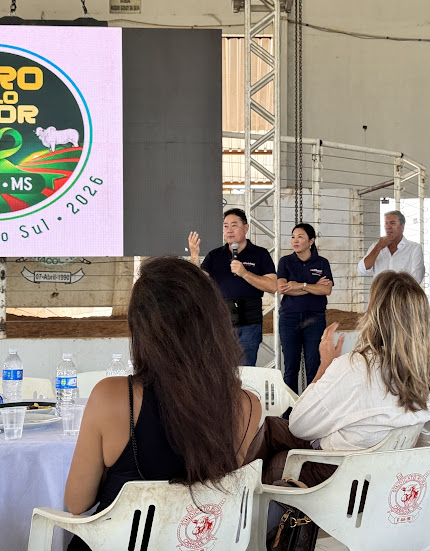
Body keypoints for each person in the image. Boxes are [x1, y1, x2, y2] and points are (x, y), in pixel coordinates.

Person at [63, 257, 262, 549]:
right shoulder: (247, 405)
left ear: (141, 328)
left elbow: (77, 503)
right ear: (216, 323)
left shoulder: (111, 396)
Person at [245, 270, 430, 486]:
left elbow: (298, 425)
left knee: (277, 457)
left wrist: (325, 365)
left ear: (375, 314)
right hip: (386, 474)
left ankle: (241, 493)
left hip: (340, 476)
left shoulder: (354, 367)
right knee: (272, 428)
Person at [188, 208, 277, 366]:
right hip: (222, 324)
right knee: (221, 369)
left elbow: (272, 286)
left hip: (250, 324)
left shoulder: (260, 254)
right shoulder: (214, 255)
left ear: (246, 228)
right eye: (225, 226)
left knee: (246, 370)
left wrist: (244, 273)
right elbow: (198, 281)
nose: (229, 230)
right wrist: (194, 256)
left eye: (234, 225)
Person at [277, 223, 334, 393]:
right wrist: (313, 286)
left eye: (300, 237)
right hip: (289, 318)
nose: (295, 240)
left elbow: (326, 290)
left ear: (311, 241)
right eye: (293, 237)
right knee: (290, 367)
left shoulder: (322, 263)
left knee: (313, 366)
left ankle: (311, 405)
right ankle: (290, 408)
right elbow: (282, 288)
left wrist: (300, 285)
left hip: (315, 318)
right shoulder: (285, 261)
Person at [357, 210, 425, 283]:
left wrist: (395, 288)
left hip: (402, 290)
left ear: (402, 226)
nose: (388, 227)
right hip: (380, 290)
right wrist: (378, 247)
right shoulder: (376, 246)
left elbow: (417, 278)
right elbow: (362, 271)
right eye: (386, 223)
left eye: (392, 223)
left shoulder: (414, 248)